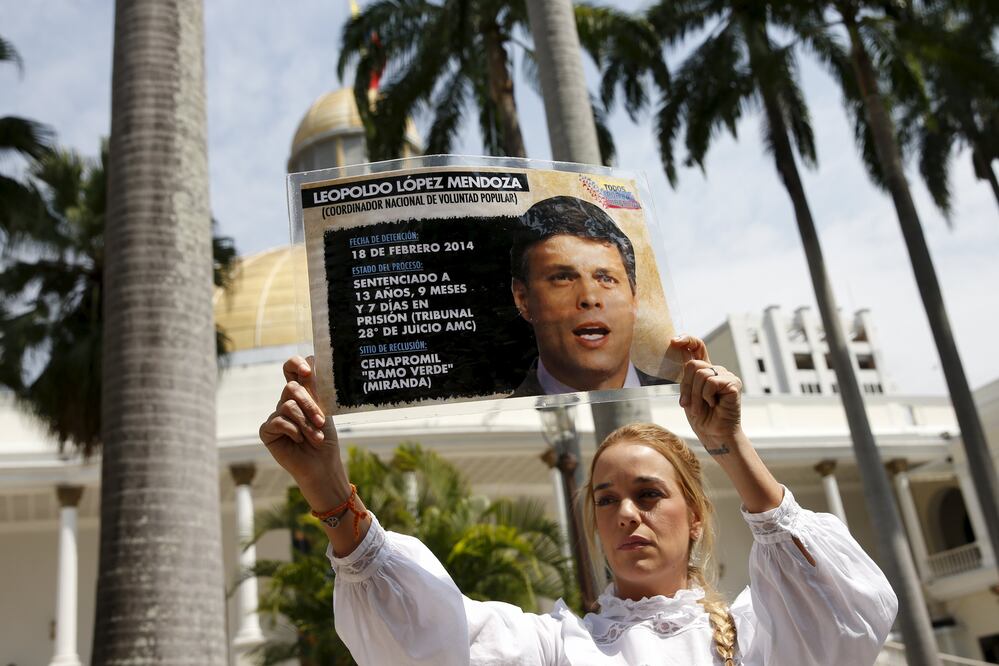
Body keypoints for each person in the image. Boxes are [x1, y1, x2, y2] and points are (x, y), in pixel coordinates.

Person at [259, 336, 898, 666]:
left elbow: (843, 611)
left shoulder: (762, 636)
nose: (626, 513)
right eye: (605, 499)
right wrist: (326, 487)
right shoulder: (556, 649)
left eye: (649, 494)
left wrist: (730, 444)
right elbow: (427, 644)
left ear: (696, 515)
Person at [508, 196, 671, 396]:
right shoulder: (495, 424)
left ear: (634, 297)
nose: (590, 298)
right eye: (563, 277)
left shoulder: (689, 405)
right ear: (522, 299)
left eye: (606, 278)